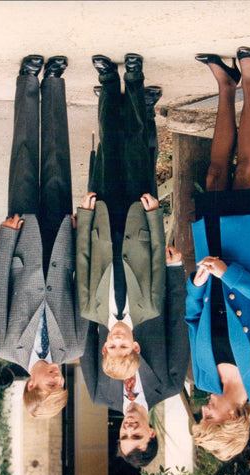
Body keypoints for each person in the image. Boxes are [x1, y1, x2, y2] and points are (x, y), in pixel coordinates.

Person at [186, 48, 250, 461]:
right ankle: (249, 82)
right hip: (246, 258)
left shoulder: (203, 376)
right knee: (244, 172)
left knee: (212, 175)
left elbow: (193, 316)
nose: (204, 409)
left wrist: (197, 284)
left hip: (210, 261)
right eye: (209, 417)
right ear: (231, 419)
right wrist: (231, 275)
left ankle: (225, 87)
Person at [0, 54, 87, 419]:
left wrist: (6, 238)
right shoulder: (74, 345)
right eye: (61, 385)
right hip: (60, 238)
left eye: (50, 385)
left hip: (24, 241)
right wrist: (77, 239)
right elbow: (82, 288)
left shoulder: (5, 345)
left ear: (31, 384)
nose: (58, 379)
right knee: (58, 160)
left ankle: (29, 80)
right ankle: (55, 82)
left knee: (25, 160)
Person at [76, 53, 166, 382]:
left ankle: (109, 81)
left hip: (102, 219)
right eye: (124, 348)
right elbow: (157, 259)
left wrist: (85, 216)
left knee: (109, 147)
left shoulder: (89, 308)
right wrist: (155, 216)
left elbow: (83, 258)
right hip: (139, 216)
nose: (117, 342)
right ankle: (134, 78)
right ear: (136, 346)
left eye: (112, 348)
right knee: (136, 147)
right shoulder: (150, 307)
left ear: (104, 348)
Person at [81, 245, 189, 468]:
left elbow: (85, 332)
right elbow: (178, 321)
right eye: (136, 436)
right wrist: (174, 269)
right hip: (146, 275)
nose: (129, 429)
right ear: (151, 433)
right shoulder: (171, 384)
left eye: (124, 437)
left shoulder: (99, 394)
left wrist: (85, 272)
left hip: (104, 279)